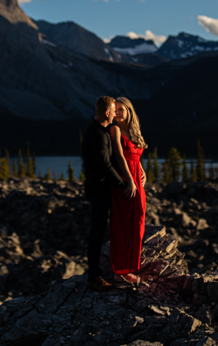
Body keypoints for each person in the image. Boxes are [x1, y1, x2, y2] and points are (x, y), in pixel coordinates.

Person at [81, 96, 127, 292]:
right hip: (99, 190)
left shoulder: (98, 131)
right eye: (113, 111)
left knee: (98, 232)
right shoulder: (98, 134)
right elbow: (105, 165)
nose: (116, 114)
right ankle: (94, 277)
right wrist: (123, 184)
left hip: (100, 189)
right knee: (97, 233)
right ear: (107, 113)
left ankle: (98, 273)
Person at [109, 96, 148, 284]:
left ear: (129, 110)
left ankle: (131, 265)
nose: (117, 112)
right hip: (125, 181)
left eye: (121, 109)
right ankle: (120, 270)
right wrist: (130, 181)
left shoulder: (133, 131)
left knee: (138, 220)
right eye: (115, 109)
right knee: (122, 224)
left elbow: (136, 157)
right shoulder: (115, 129)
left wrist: (143, 172)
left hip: (137, 181)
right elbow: (119, 156)